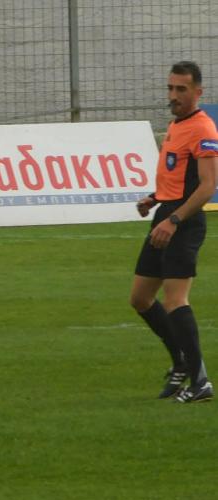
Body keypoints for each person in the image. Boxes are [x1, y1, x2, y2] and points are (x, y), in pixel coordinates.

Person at [132, 61, 217, 403]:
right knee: (140, 298)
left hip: (184, 221)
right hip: (166, 214)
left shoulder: (203, 128)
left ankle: (201, 381)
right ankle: (180, 362)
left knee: (174, 300)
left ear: (198, 92)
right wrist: (155, 199)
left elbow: (208, 186)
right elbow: (178, 176)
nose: (174, 95)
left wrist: (175, 220)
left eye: (181, 89)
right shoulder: (175, 124)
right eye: (171, 88)